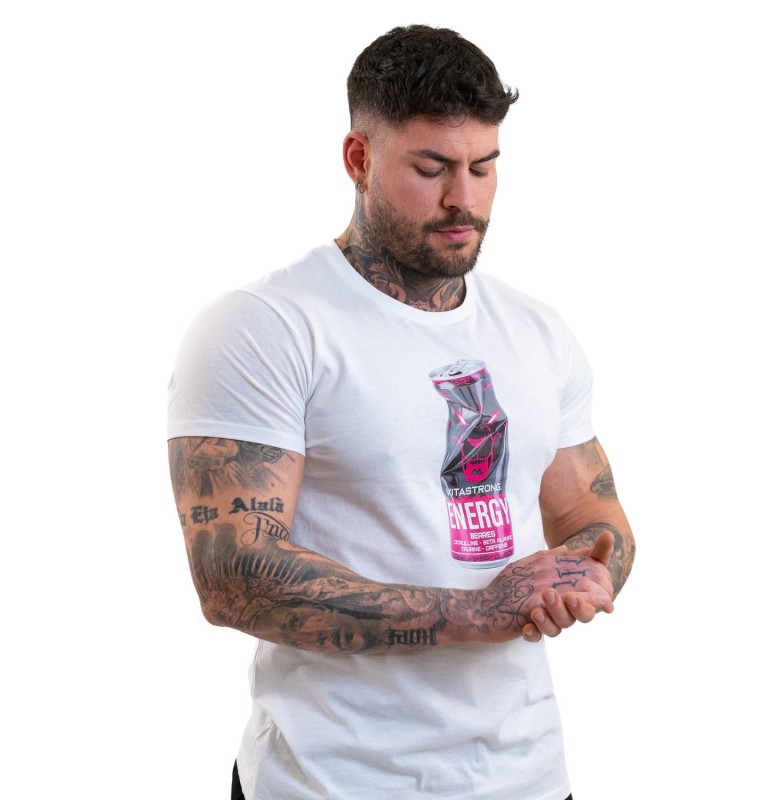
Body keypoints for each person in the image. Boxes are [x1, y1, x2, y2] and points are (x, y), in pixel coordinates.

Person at [167, 24, 635, 800]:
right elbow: (232, 578)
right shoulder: (264, 327)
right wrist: (477, 611)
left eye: (483, 167)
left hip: (525, 775)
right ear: (358, 158)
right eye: (431, 168)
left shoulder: (537, 330)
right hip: (331, 781)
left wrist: (585, 570)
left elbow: (591, 510)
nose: (463, 199)